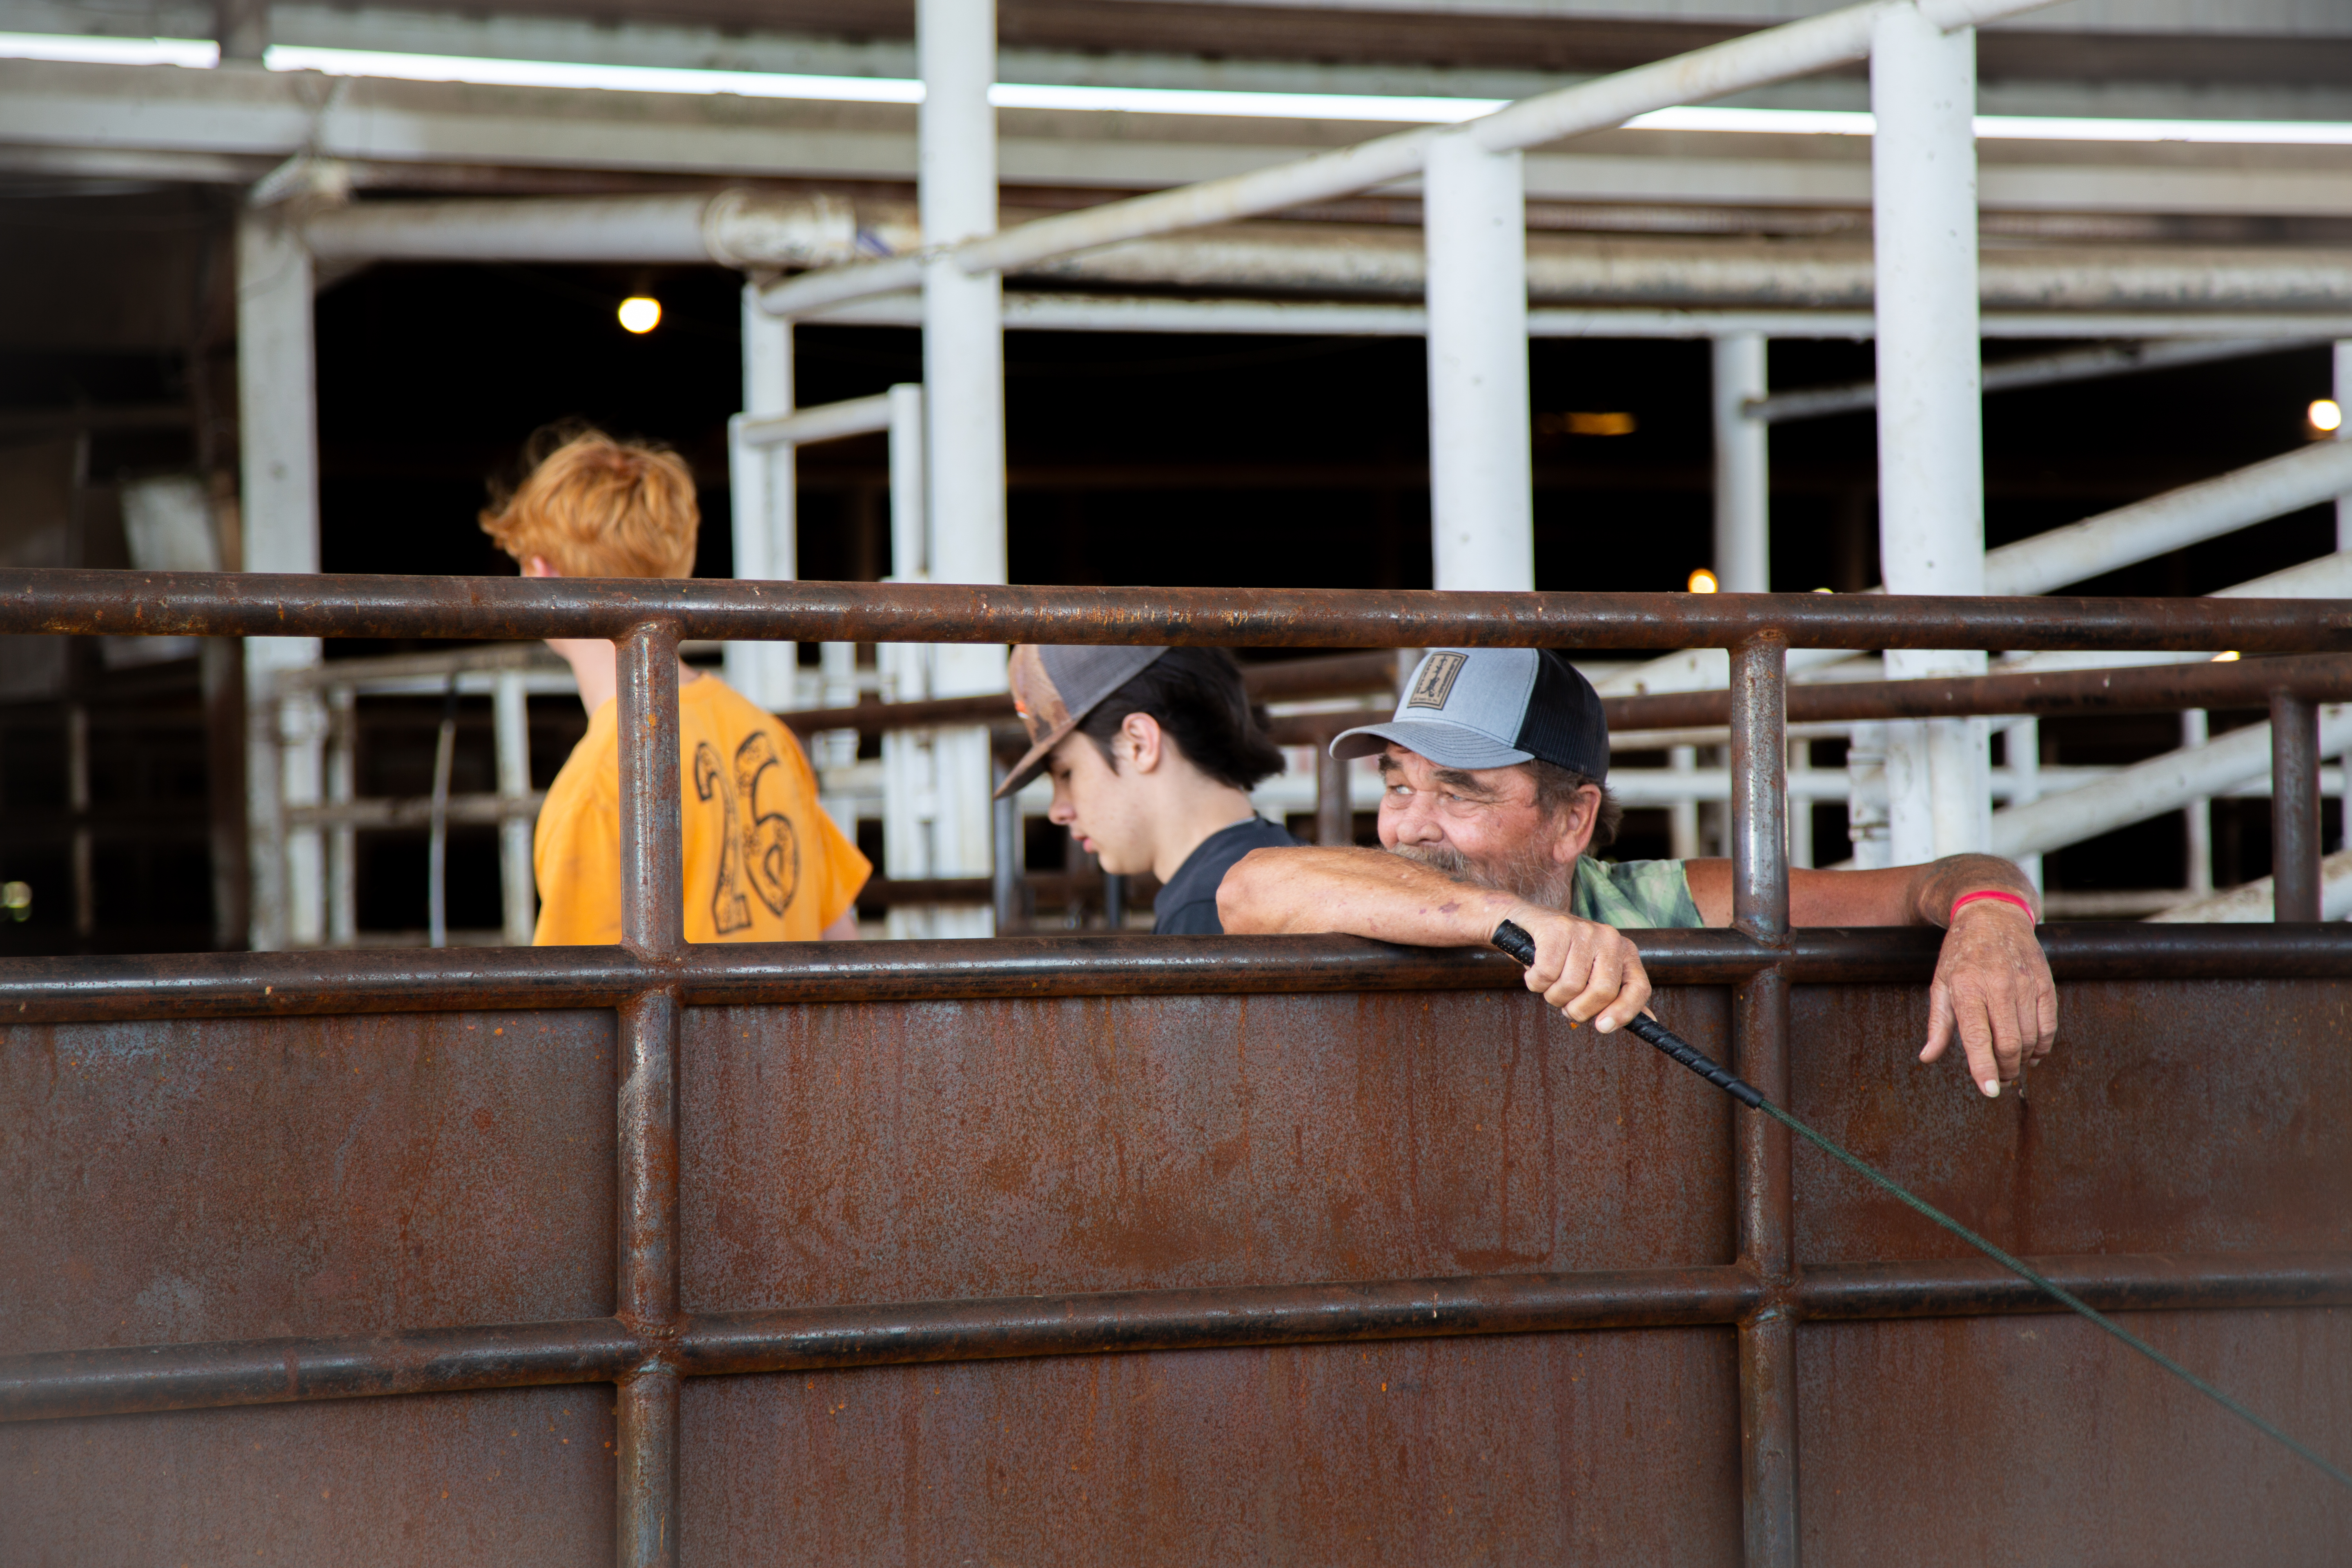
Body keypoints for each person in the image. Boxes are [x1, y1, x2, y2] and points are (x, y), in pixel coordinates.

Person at [1218, 647, 2058, 1098]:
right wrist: (1517, 926)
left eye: (1459, 791)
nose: (1409, 823)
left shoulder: (1667, 902)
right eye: (1398, 784)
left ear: (1572, 820)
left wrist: (1989, 916)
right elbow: (1248, 887)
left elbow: (1939, 880)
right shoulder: (1356, 893)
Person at [479, 426, 869, 945]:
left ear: (541, 572)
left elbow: (571, 1012)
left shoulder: (597, 785)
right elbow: (841, 938)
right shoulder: (769, 737)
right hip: (793, 1029)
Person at [997, 644, 1299, 933]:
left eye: (1067, 773)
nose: (1057, 812)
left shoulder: (1211, 908)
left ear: (1139, 744)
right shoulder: (1284, 860)